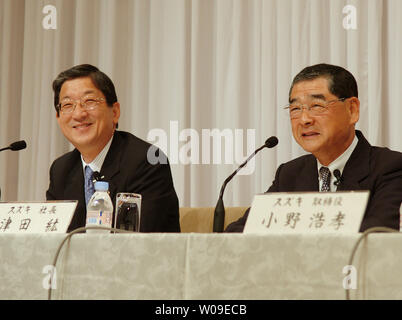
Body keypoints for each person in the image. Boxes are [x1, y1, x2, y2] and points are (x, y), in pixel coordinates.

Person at [226, 63, 402, 232]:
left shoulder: (390, 167)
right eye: (295, 108)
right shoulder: (290, 174)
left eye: (317, 106)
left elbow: (378, 234)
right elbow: (239, 232)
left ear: (352, 110)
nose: (304, 119)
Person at [46, 64, 180, 233]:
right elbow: (54, 238)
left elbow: (141, 240)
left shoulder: (148, 161)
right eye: (67, 105)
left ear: (115, 112)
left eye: (89, 101)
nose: (79, 114)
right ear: (58, 118)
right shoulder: (61, 170)